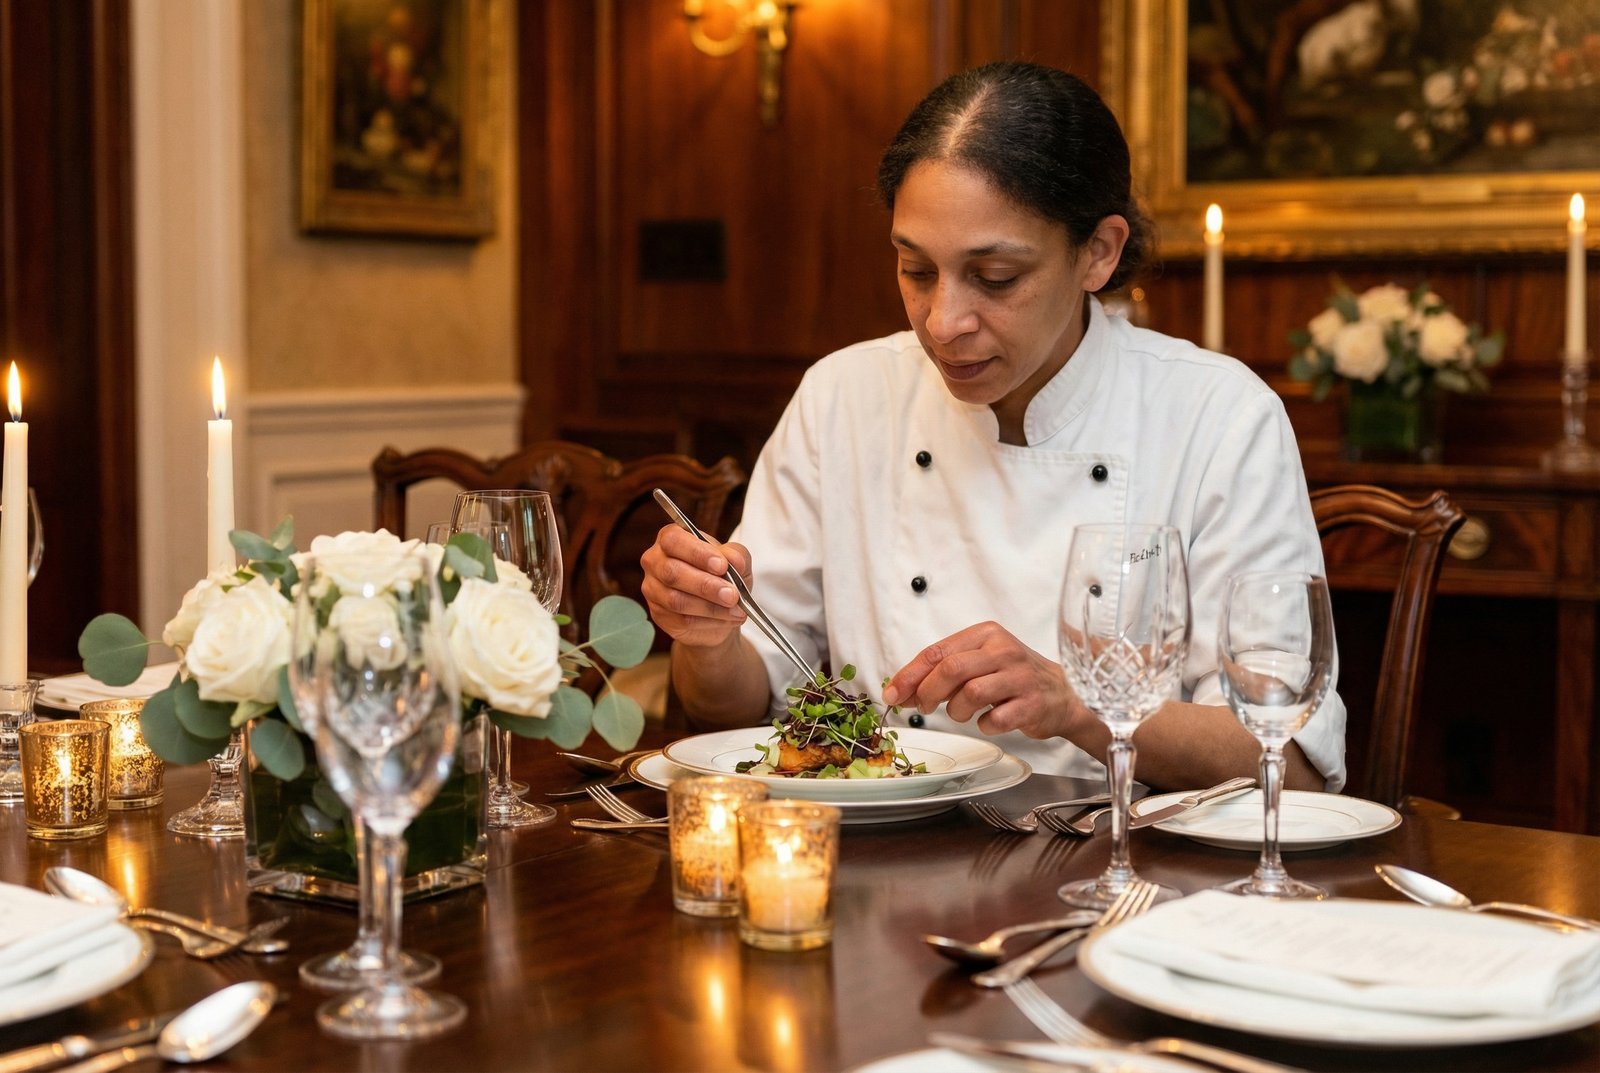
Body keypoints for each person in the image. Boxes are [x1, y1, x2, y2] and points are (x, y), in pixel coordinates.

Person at [640, 61, 1344, 792]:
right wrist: (707, 635)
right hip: (882, 864)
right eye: (916, 270)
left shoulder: (1218, 417)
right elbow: (733, 704)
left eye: (997, 278)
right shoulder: (843, 397)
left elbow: (1287, 764)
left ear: (1099, 252)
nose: (944, 322)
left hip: (1124, 874)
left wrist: (1076, 706)